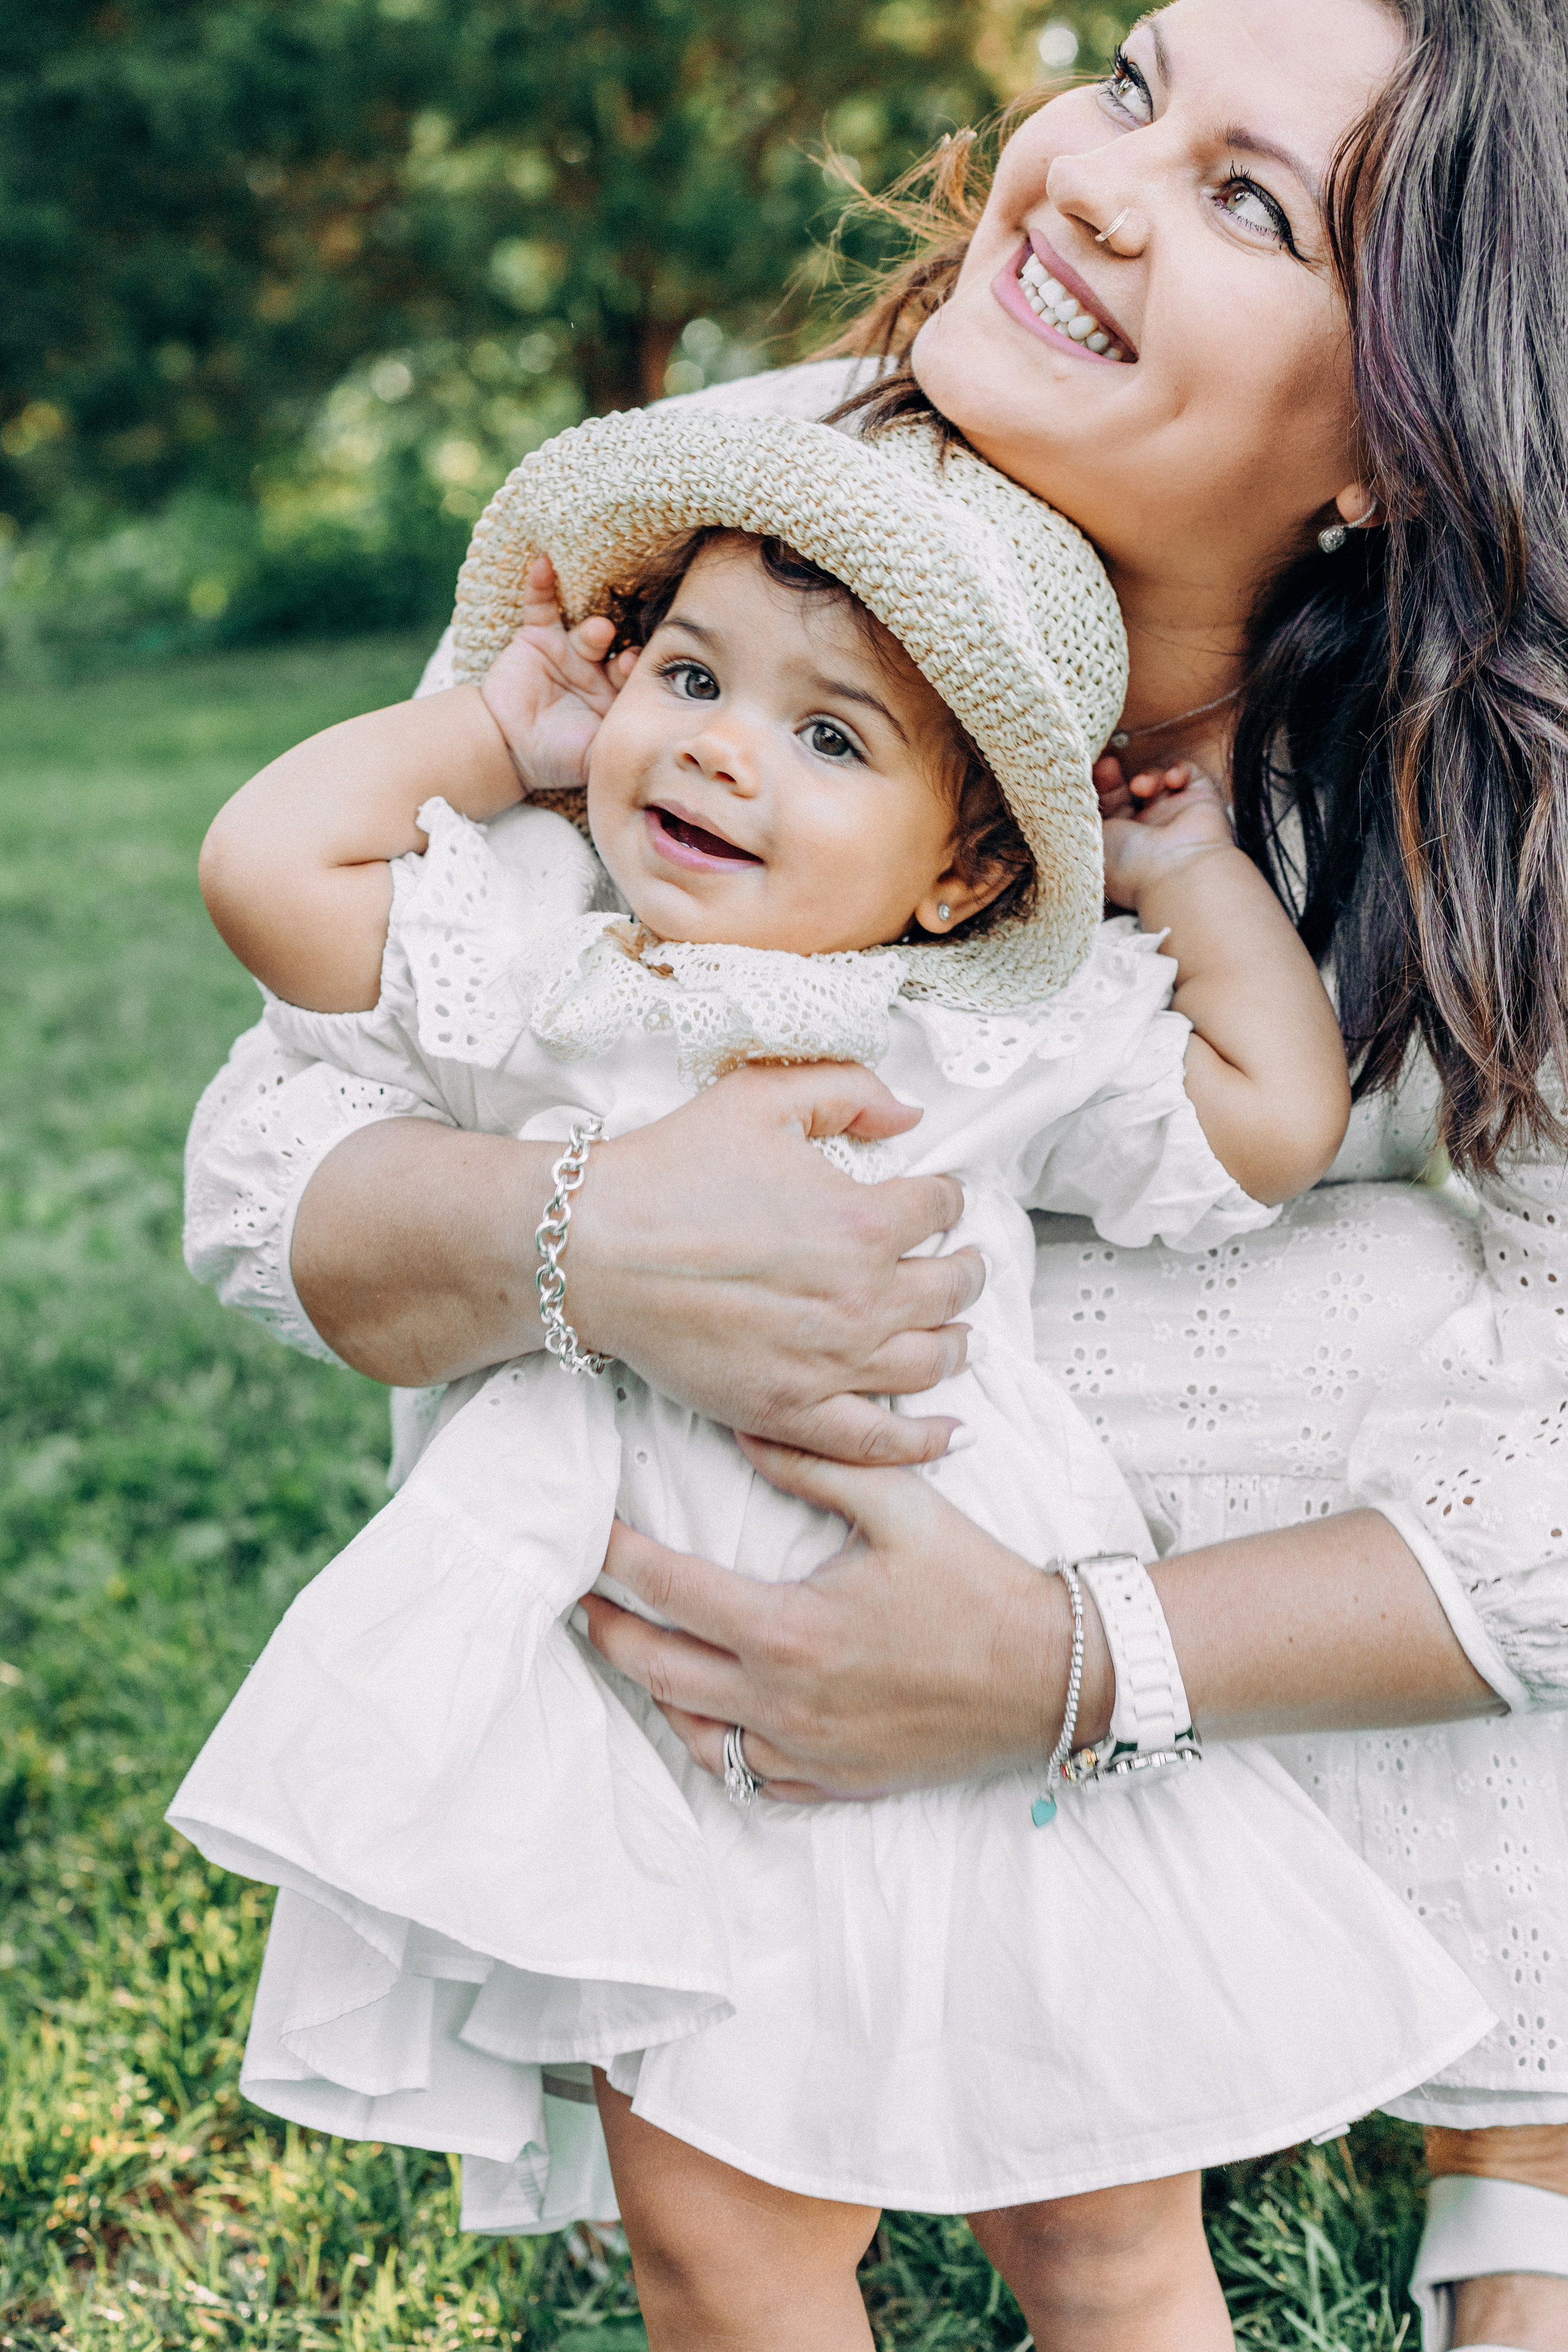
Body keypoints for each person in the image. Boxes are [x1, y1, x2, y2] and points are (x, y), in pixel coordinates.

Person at [181, 2, 1568, 2346]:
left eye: (1249, 200)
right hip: (689, 1508)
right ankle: (702, 1991)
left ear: (1401, 437)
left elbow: (1323, 1197)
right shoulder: (732, 529)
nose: (1095, 178)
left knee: (1427, 1339)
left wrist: (1069, 1661)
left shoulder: (1489, 763)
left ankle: (1515, 2149)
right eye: (1128, 83)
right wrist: (589, 1239)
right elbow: (289, 1126)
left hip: (1067, 1489)